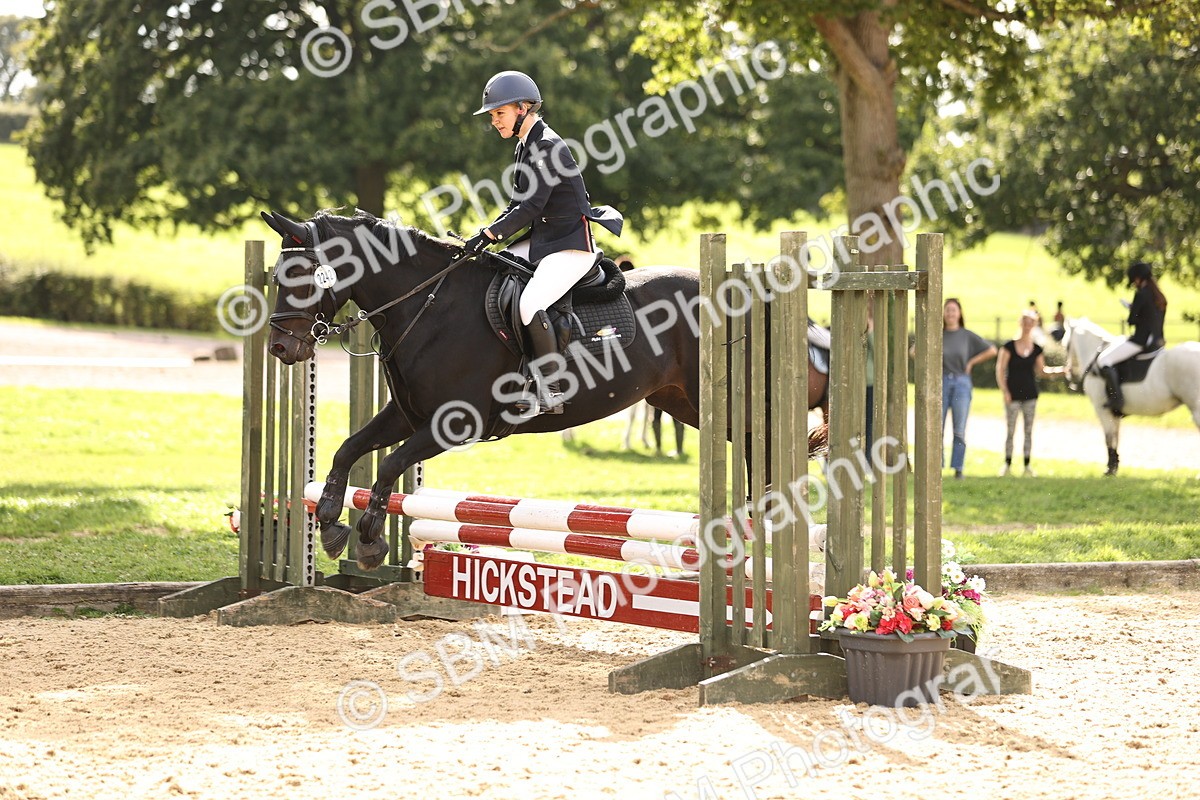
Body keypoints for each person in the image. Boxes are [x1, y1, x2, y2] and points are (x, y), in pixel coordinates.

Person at [463, 70, 623, 414]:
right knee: (493, 268)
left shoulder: (548, 146)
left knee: (529, 302)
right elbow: (515, 204)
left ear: (522, 108)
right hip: (547, 239)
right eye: (492, 115)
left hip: (570, 245)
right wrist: (486, 237)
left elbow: (533, 205)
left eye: (499, 113)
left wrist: (491, 235)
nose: (494, 121)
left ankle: (551, 390)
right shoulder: (526, 145)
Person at [995, 309, 1068, 476]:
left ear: (1034, 325)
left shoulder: (1036, 349)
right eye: (1025, 322)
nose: (1028, 326)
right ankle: (1007, 464)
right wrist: (1005, 391)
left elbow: (1041, 371)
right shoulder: (1008, 347)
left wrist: (1062, 371)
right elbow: (1000, 370)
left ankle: (1027, 465)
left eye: (1031, 322)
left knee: (1028, 431)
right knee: (1011, 430)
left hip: (1030, 395)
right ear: (1020, 323)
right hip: (1012, 394)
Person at [1095, 261, 1168, 417]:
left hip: (1141, 342)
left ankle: (1117, 399)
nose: (1134, 284)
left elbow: (1132, 320)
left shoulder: (1141, 294)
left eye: (1134, 280)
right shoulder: (1159, 296)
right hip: (1158, 341)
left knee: (1104, 360)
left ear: (1138, 279)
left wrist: (1131, 307)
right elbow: (1150, 317)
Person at [942, 298, 997, 480]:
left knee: (959, 429)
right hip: (940, 383)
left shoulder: (967, 335)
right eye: (947, 310)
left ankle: (958, 468)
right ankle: (936, 466)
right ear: (943, 313)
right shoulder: (936, 334)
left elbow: (992, 350)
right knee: (936, 428)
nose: (950, 314)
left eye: (953, 310)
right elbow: (913, 351)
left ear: (959, 313)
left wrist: (972, 361)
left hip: (961, 384)